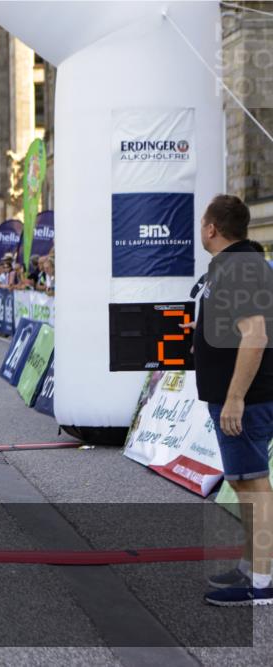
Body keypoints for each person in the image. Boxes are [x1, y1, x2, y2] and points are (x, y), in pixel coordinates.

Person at [178, 195, 273, 607]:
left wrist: (235, 398)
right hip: (236, 395)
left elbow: (256, 334)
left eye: (203, 223)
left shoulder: (239, 268)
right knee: (242, 481)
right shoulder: (235, 265)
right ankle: (253, 567)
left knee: (254, 485)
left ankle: (263, 583)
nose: (202, 229)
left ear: (212, 228)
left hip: (246, 399)